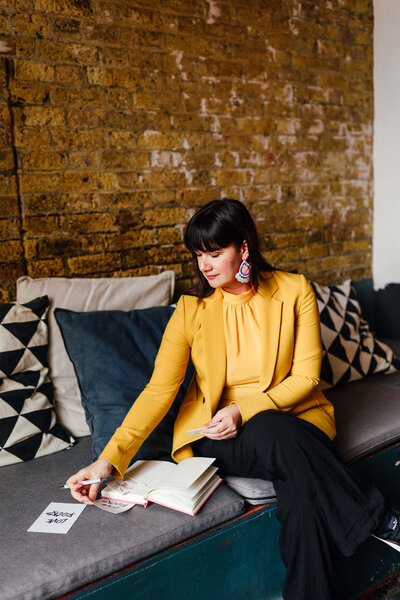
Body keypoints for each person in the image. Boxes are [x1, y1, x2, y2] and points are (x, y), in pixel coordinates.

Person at [67, 198, 400, 599]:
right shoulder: (192, 310)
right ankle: (381, 518)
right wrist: (108, 460)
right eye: (198, 254)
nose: (204, 265)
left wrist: (244, 408)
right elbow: (159, 390)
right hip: (217, 434)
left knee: (301, 497)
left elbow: (307, 377)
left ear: (243, 247)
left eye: (214, 252)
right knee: (277, 436)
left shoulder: (294, 290)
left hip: (295, 422)